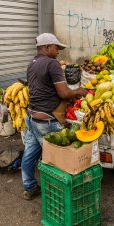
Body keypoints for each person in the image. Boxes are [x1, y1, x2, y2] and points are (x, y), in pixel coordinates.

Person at [21, 33, 88, 200]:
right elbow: (64, 93)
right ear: (46, 47)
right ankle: (58, 194)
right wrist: (78, 91)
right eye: (56, 47)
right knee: (58, 159)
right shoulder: (52, 64)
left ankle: (29, 188)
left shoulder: (32, 63)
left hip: (31, 117)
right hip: (47, 121)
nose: (58, 51)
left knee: (29, 155)